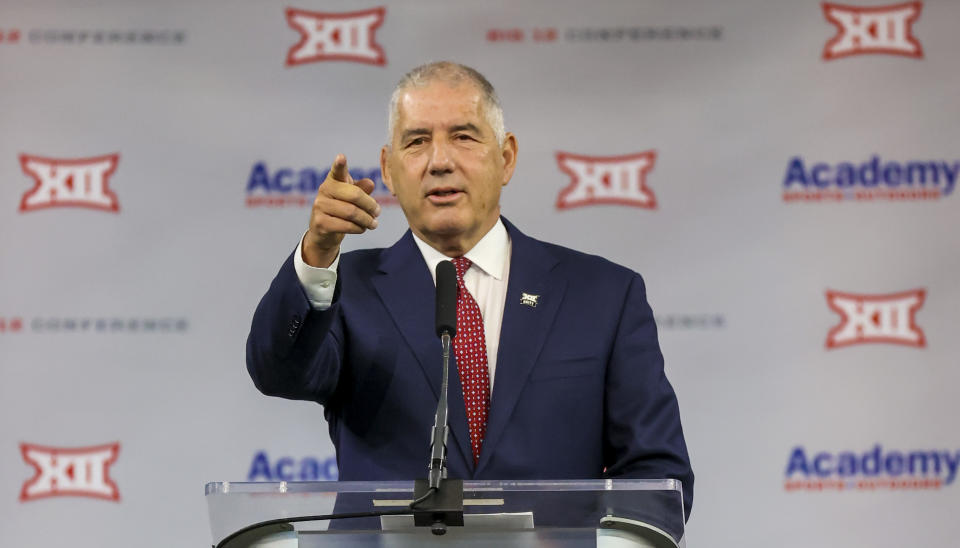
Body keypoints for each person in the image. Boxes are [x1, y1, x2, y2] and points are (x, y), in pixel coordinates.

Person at [246, 61, 694, 519]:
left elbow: (656, 474)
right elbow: (278, 371)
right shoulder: (347, 291)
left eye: (463, 136)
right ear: (388, 168)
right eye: (417, 141)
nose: (440, 161)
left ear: (506, 158)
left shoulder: (603, 295)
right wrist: (318, 252)